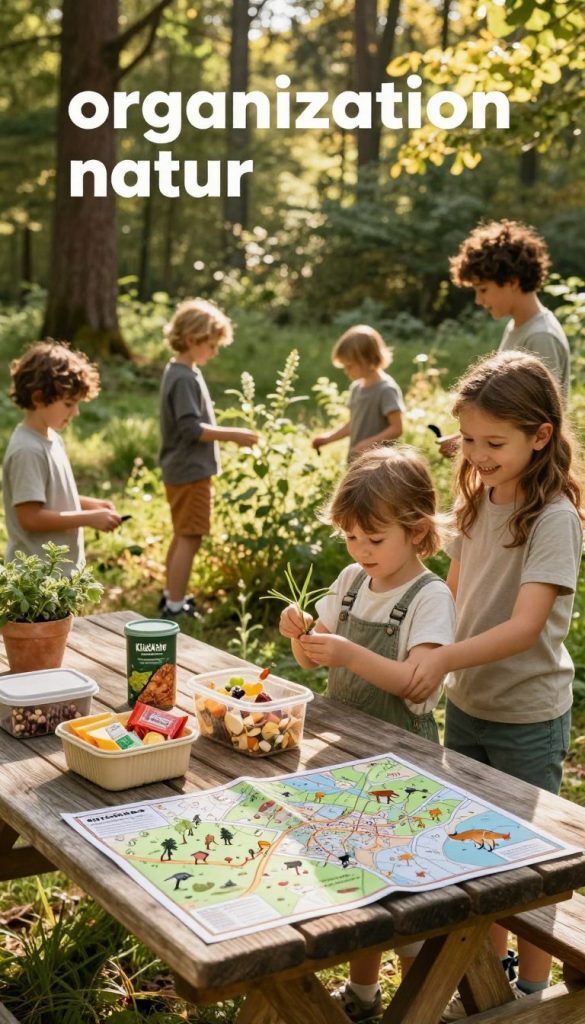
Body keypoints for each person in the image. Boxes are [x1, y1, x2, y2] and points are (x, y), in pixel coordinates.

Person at [403, 351, 584, 1021]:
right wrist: (428, 647)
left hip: (526, 717)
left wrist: (445, 657)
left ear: (540, 436)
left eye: (493, 443)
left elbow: (523, 626)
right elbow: (454, 592)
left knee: (530, 869)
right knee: (475, 852)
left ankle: (533, 994)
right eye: (470, 440)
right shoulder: (476, 497)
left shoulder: (554, 518)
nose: (476, 455)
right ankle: (490, 984)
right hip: (468, 707)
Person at [279, 445, 456, 1022]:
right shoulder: (353, 580)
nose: (360, 551)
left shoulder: (430, 597)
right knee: (359, 883)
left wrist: (349, 653)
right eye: (351, 538)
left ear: (417, 529)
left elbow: (413, 683)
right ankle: (361, 993)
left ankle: (419, 999)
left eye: (374, 540)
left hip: (404, 772)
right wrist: (300, 634)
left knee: (406, 891)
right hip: (346, 761)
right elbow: (312, 661)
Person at [159, 297, 258, 620]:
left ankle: (169, 596)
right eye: (212, 345)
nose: (215, 352)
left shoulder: (180, 371)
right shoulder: (185, 377)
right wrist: (235, 435)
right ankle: (176, 606)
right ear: (192, 340)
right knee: (191, 535)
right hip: (190, 470)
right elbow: (190, 428)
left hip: (181, 468)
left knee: (182, 532)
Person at [439, 219, 571, 457]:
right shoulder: (516, 326)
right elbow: (505, 408)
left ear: (512, 281)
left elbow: (534, 419)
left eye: (483, 289)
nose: (479, 300)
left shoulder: (541, 336)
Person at [3, 340, 121, 575]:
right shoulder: (28, 450)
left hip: (58, 575)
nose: (75, 412)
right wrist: (88, 518)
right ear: (38, 398)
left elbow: (48, 497)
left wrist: (89, 505)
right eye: (68, 404)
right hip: (36, 582)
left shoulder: (51, 438)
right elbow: (31, 517)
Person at [312, 325, 404, 461]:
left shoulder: (386, 390)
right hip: (357, 460)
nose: (346, 371)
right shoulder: (356, 388)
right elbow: (352, 425)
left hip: (380, 464)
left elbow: (396, 428)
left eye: (349, 366)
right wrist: (327, 439)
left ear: (368, 360)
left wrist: (368, 444)